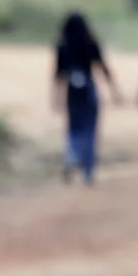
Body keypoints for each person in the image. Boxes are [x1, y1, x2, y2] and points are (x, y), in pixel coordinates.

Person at [51, 13, 122, 186]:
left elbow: (59, 75)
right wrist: (114, 91)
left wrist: (56, 98)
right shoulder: (90, 43)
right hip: (89, 89)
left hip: (72, 92)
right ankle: (88, 171)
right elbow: (103, 67)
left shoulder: (62, 46)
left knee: (74, 128)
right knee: (90, 130)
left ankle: (72, 156)